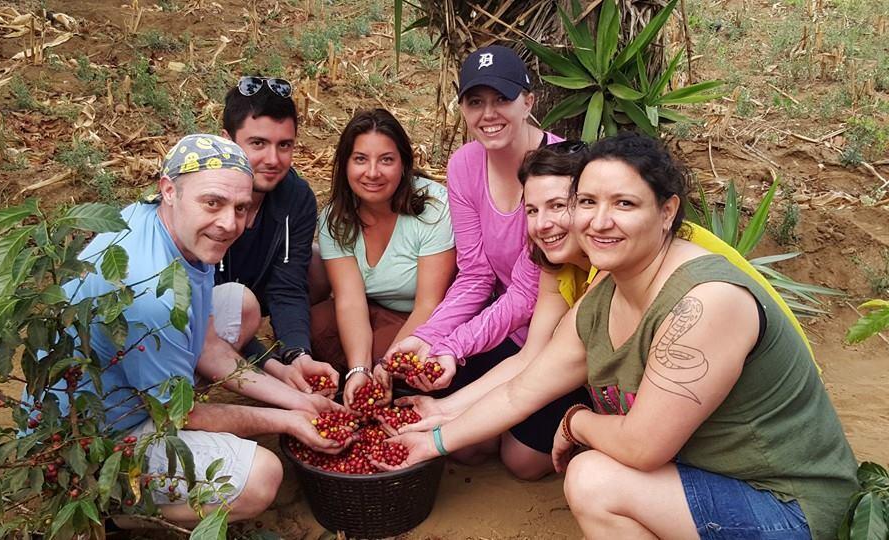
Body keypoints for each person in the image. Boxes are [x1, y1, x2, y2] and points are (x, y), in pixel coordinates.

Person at [385, 132, 859, 539]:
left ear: (667, 210)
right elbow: (523, 387)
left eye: (624, 204)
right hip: (709, 481)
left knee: (594, 477)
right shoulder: (601, 298)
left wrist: (574, 422)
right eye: (588, 202)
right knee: (596, 472)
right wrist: (435, 439)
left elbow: (641, 446)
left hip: (788, 508)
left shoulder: (706, 302)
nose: (598, 221)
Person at [52, 135, 350, 528]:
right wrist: (287, 420)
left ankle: (165, 383)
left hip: (126, 379)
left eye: (241, 207)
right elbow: (183, 415)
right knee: (260, 478)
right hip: (95, 435)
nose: (229, 223)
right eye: (213, 203)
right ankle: (108, 505)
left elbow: (208, 344)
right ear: (169, 190)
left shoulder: (170, 227)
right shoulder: (152, 293)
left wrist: (298, 402)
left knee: (241, 304)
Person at [383, 45, 592, 480]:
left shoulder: (559, 170)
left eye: (502, 99)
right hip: (509, 328)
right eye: (475, 101)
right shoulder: (464, 164)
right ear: (461, 107)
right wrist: (430, 338)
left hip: (555, 328)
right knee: (466, 444)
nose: (488, 113)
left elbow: (525, 293)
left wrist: (455, 346)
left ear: (529, 102)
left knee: (522, 462)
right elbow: (476, 274)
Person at [309, 109, 456, 408]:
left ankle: (398, 383)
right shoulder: (334, 218)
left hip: (428, 317)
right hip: (375, 310)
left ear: (403, 164)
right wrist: (359, 369)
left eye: (386, 160)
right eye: (360, 159)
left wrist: (386, 364)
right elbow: (349, 300)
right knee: (317, 322)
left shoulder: (433, 208)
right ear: (345, 164)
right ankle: (361, 379)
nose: (372, 172)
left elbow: (429, 303)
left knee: (387, 358)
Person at [215, 76, 336, 394]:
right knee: (234, 308)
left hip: (256, 291)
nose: (273, 160)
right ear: (227, 141)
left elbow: (288, 285)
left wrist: (297, 353)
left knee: (318, 264)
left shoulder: (296, 197)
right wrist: (267, 362)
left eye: (284, 145)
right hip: (207, 303)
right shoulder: (203, 200)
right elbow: (198, 310)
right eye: (258, 144)